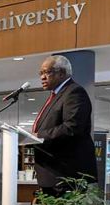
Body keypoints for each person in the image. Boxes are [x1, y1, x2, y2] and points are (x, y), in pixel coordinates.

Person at [32, 55, 97, 197]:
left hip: (66, 175)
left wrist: (38, 136)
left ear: (61, 73)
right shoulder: (56, 95)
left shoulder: (74, 92)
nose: (42, 77)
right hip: (52, 173)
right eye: (41, 73)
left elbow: (72, 127)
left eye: (47, 72)